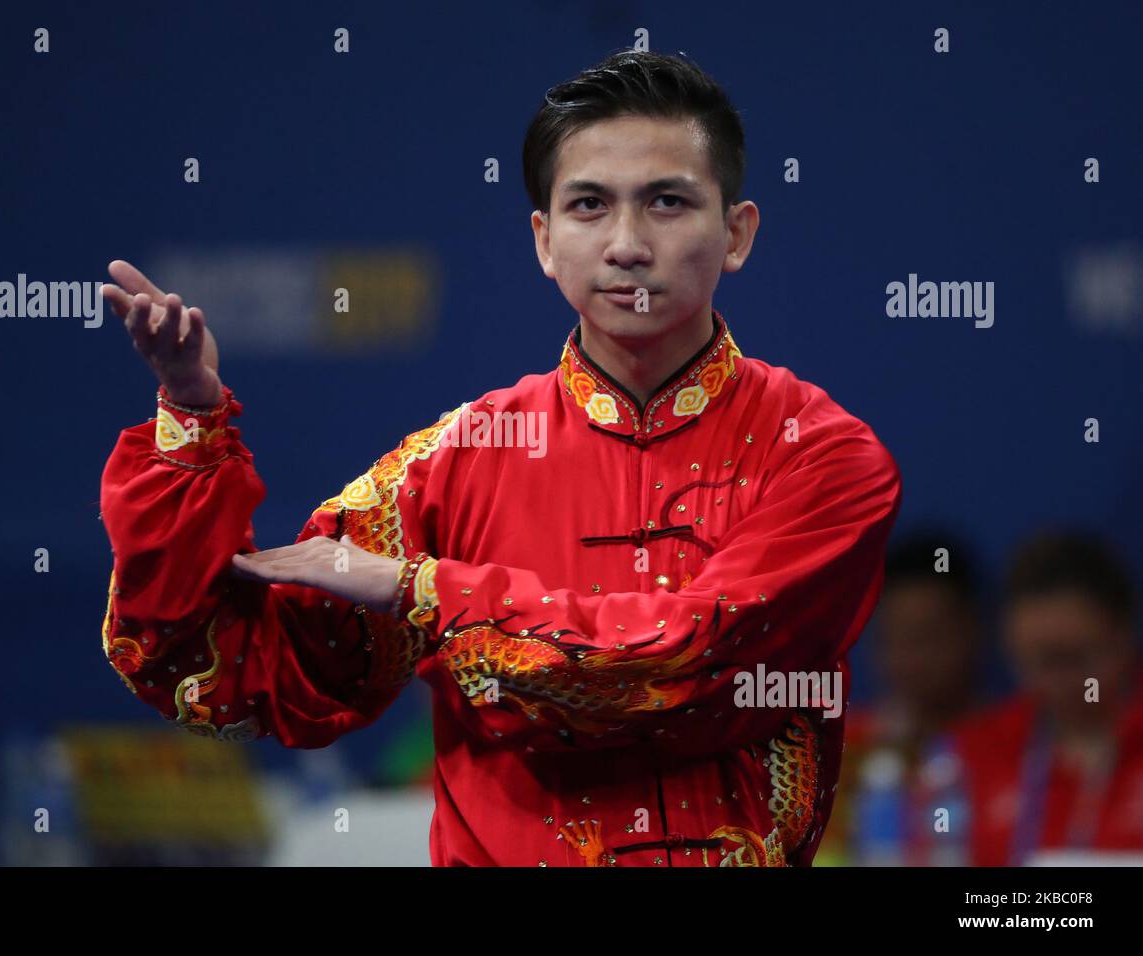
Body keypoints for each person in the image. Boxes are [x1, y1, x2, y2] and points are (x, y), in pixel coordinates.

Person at [98, 49, 902, 867]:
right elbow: (221, 677)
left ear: (736, 233)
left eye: (666, 202)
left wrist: (422, 590)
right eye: (589, 205)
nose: (626, 244)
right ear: (545, 242)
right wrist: (192, 427)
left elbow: (683, 667)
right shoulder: (449, 465)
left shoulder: (825, 457)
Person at [952, 531, 1143, 865]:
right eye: (1037, 662)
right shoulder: (970, 755)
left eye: (1073, 658)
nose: (1058, 684)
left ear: (1123, 637)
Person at [817, 532, 986, 865]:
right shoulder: (838, 748)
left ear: (973, 630)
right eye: (895, 638)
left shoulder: (1018, 746)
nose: (911, 658)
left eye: (928, 637)